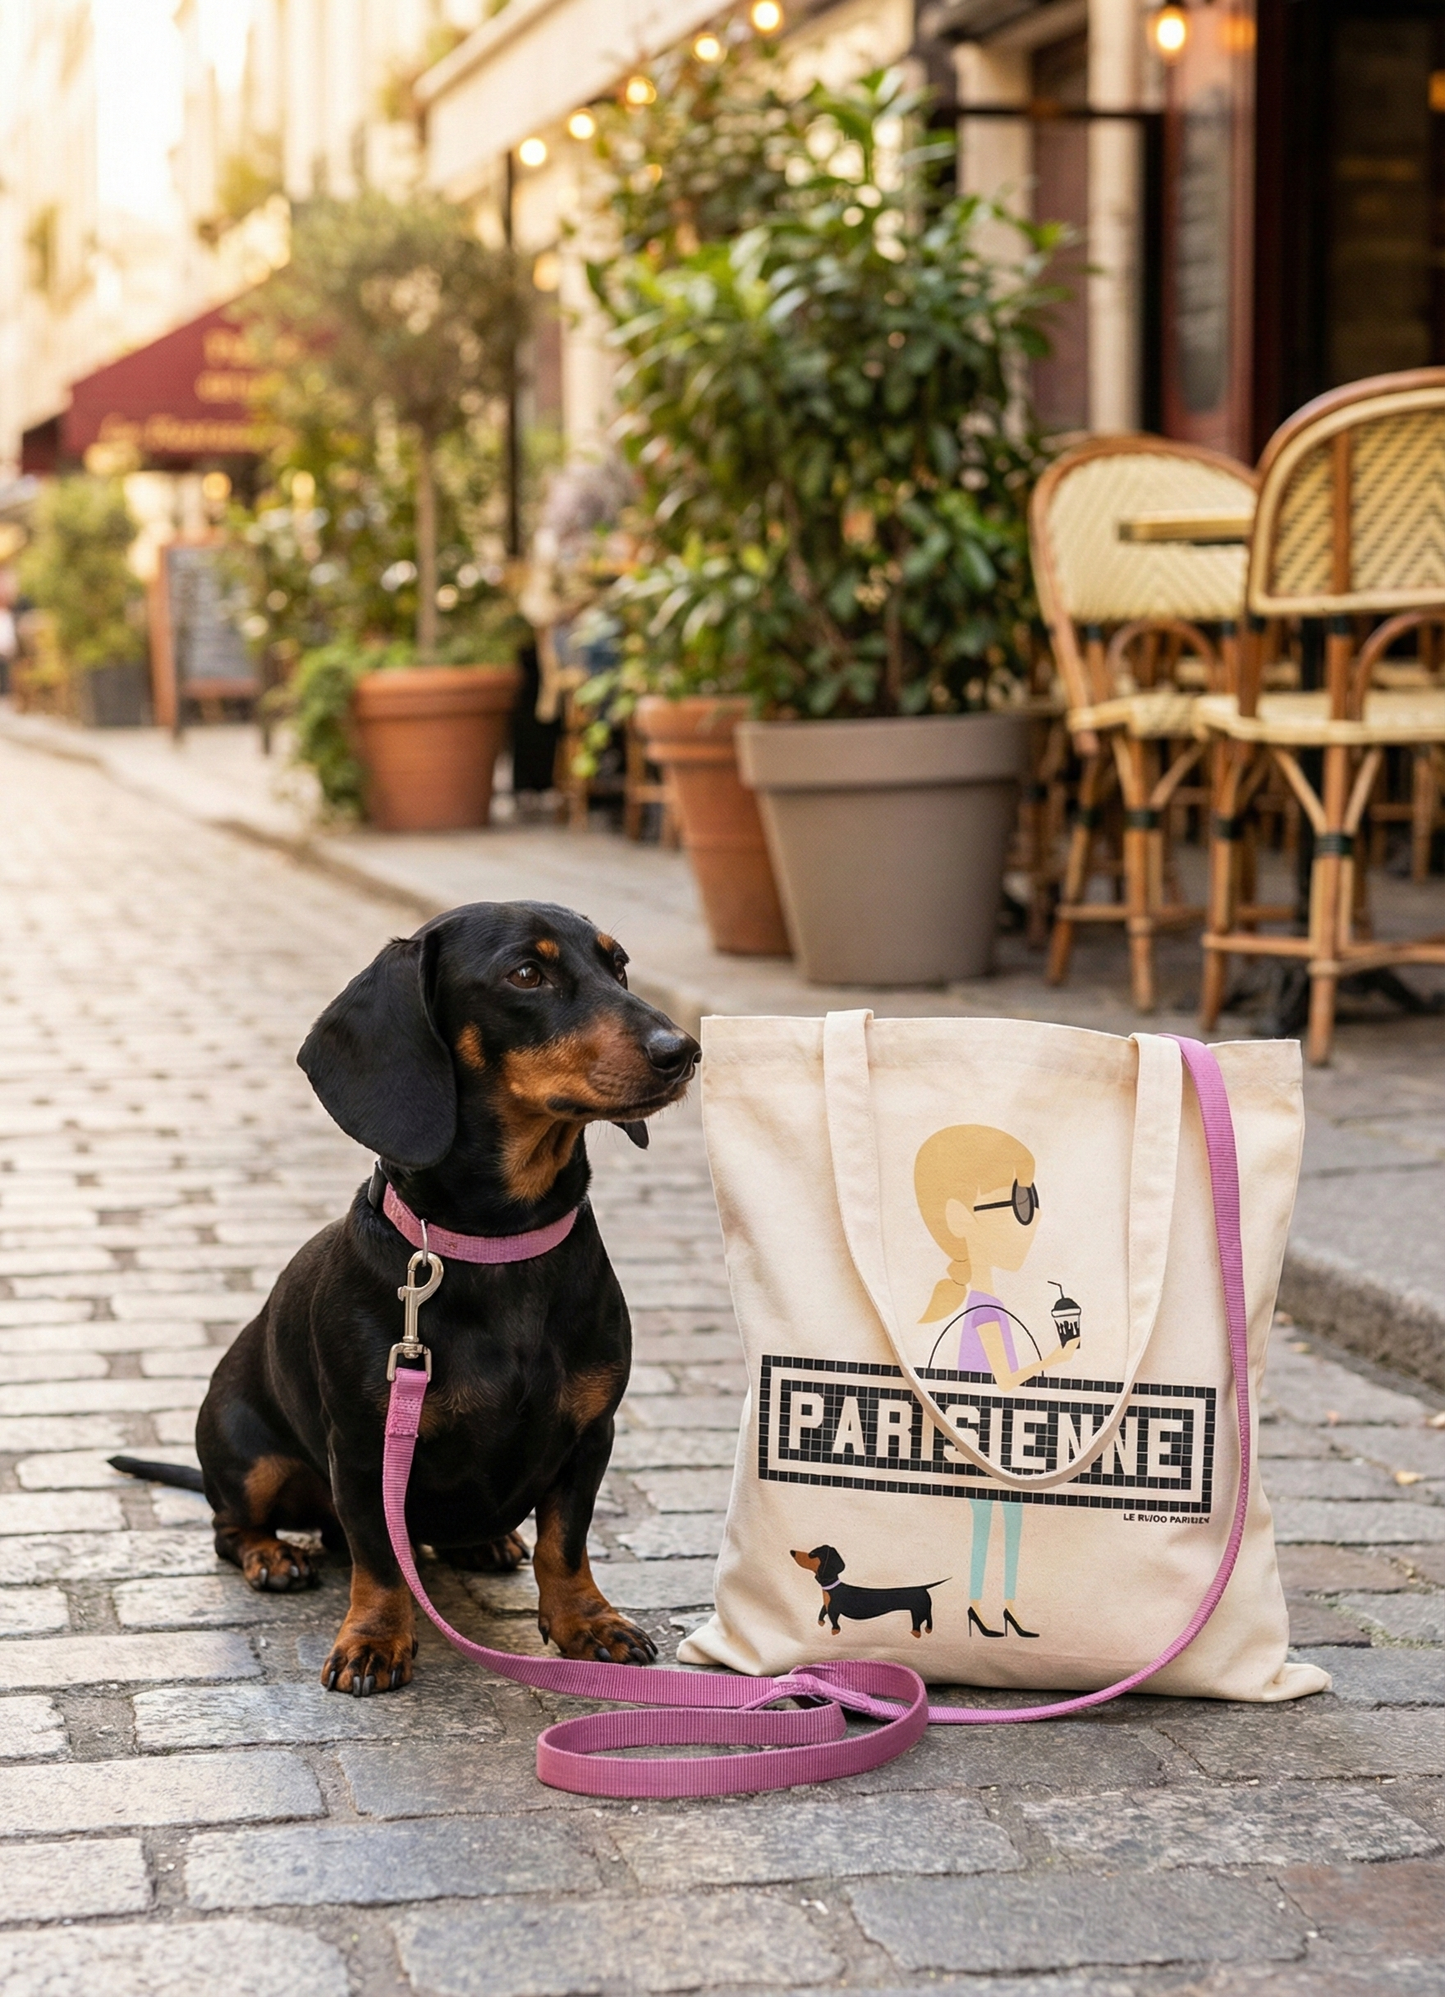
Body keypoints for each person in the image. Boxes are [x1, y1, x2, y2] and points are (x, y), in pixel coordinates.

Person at [914, 1123, 1080, 1641]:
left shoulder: (987, 1304)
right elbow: (1003, 1379)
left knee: (1004, 1519)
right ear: (960, 1219)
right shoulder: (985, 1311)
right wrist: (1057, 1355)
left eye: (1033, 1204)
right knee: (995, 1521)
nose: (1030, 1223)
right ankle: (984, 1607)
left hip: (989, 1435)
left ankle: (998, 1607)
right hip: (983, 1438)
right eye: (1017, 1205)